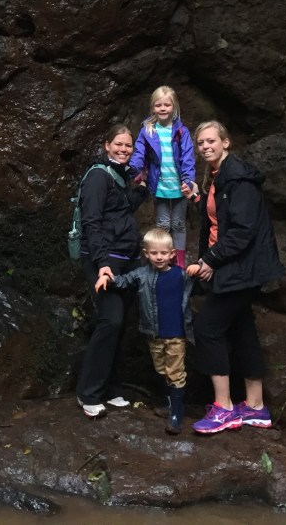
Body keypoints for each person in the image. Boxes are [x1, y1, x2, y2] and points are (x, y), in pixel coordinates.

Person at [186, 121, 286, 435]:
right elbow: (222, 219)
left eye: (211, 141)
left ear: (226, 142)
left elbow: (243, 231)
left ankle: (224, 408)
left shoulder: (239, 179)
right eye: (201, 143)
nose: (205, 147)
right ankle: (255, 406)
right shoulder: (218, 177)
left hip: (242, 268)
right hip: (235, 267)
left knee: (207, 328)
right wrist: (199, 199)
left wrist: (210, 260)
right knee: (242, 330)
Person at [75, 124, 149, 418]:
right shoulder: (97, 176)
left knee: (121, 324)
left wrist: (141, 188)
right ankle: (88, 393)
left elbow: (121, 210)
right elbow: (91, 222)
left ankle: (110, 387)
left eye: (128, 145)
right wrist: (102, 262)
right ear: (107, 145)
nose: (123, 149)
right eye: (118, 144)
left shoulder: (120, 176)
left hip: (127, 259)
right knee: (111, 320)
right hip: (104, 261)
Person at [96, 227, 198, 434]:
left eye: (163, 253)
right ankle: (170, 403)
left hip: (177, 334)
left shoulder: (181, 275)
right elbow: (124, 281)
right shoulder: (142, 274)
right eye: (154, 253)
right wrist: (108, 278)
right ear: (146, 254)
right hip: (155, 334)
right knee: (162, 369)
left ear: (172, 254)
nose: (159, 257)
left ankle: (176, 413)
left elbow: (200, 282)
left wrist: (198, 269)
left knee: (175, 372)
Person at [129, 86, 197, 270]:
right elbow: (139, 152)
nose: (163, 108)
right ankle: (163, 259)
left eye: (167, 105)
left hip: (179, 185)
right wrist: (133, 169)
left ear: (174, 107)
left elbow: (188, 157)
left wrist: (188, 180)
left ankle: (179, 261)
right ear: (153, 108)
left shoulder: (181, 131)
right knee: (163, 224)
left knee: (178, 224)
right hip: (159, 186)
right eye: (158, 105)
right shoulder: (147, 130)